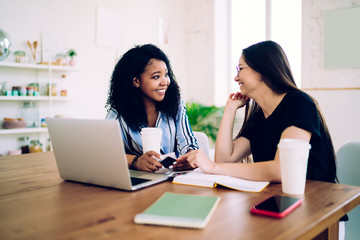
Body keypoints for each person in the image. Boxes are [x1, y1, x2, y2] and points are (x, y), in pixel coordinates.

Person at [177, 40, 338, 184]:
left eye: (240, 69)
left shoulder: (300, 104)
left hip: (317, 203)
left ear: (261, 71)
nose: (236, 77)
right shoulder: (261, 115)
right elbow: (225, 159)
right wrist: (230, 109)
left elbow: (282, 169)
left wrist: (212, 167)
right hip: (278, 200)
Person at [106, 44, 198, 172]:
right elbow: (106, 153)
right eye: (156, 76)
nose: (165, 81)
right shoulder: (118, 113)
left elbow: (187, 142)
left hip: (170, 177)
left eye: (166, 74)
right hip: (137, 180)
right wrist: (135, 161)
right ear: (136, 81)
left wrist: (191, 156)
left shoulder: (175, 105)